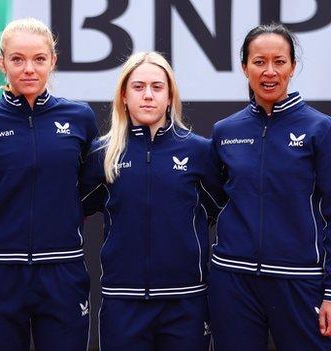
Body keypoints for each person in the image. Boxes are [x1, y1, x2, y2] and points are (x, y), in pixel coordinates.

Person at [0, 17, 98, 351]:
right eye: (17, 59)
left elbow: (93, 186)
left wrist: (68, 213)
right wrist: (2, 211)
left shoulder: (79, 117)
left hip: (63, 271)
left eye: (39, 59)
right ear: (2, 62)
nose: (29, 69)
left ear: (53, 61)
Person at [81, 52, 221, 350]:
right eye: (138, 87)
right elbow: (65, 208)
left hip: (186, 303)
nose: (148, 95)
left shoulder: (199, 152)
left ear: (170, 96)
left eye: (157, 87)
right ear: (124, 94)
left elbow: (226, 211)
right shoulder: (102, 154)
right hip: (123, 303)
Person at [209, 23, 331, 350]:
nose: (269, 71)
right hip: (233, 281)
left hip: (300, 281)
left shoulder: (320, 129)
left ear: (293, 67)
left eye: (279, 61)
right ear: (244, 67)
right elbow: (211, 202)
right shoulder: (225, 131)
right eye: (259, 62)